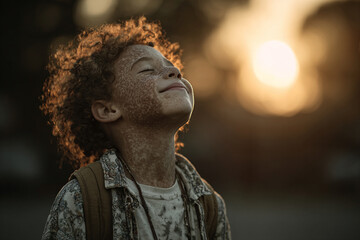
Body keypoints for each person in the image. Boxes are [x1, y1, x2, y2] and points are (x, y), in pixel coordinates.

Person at [41, 17, 231, 240]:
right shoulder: (81, 199)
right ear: (107, 110)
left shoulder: (210, 203)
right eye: (147, 70)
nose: (176, 72)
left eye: (172, 67)